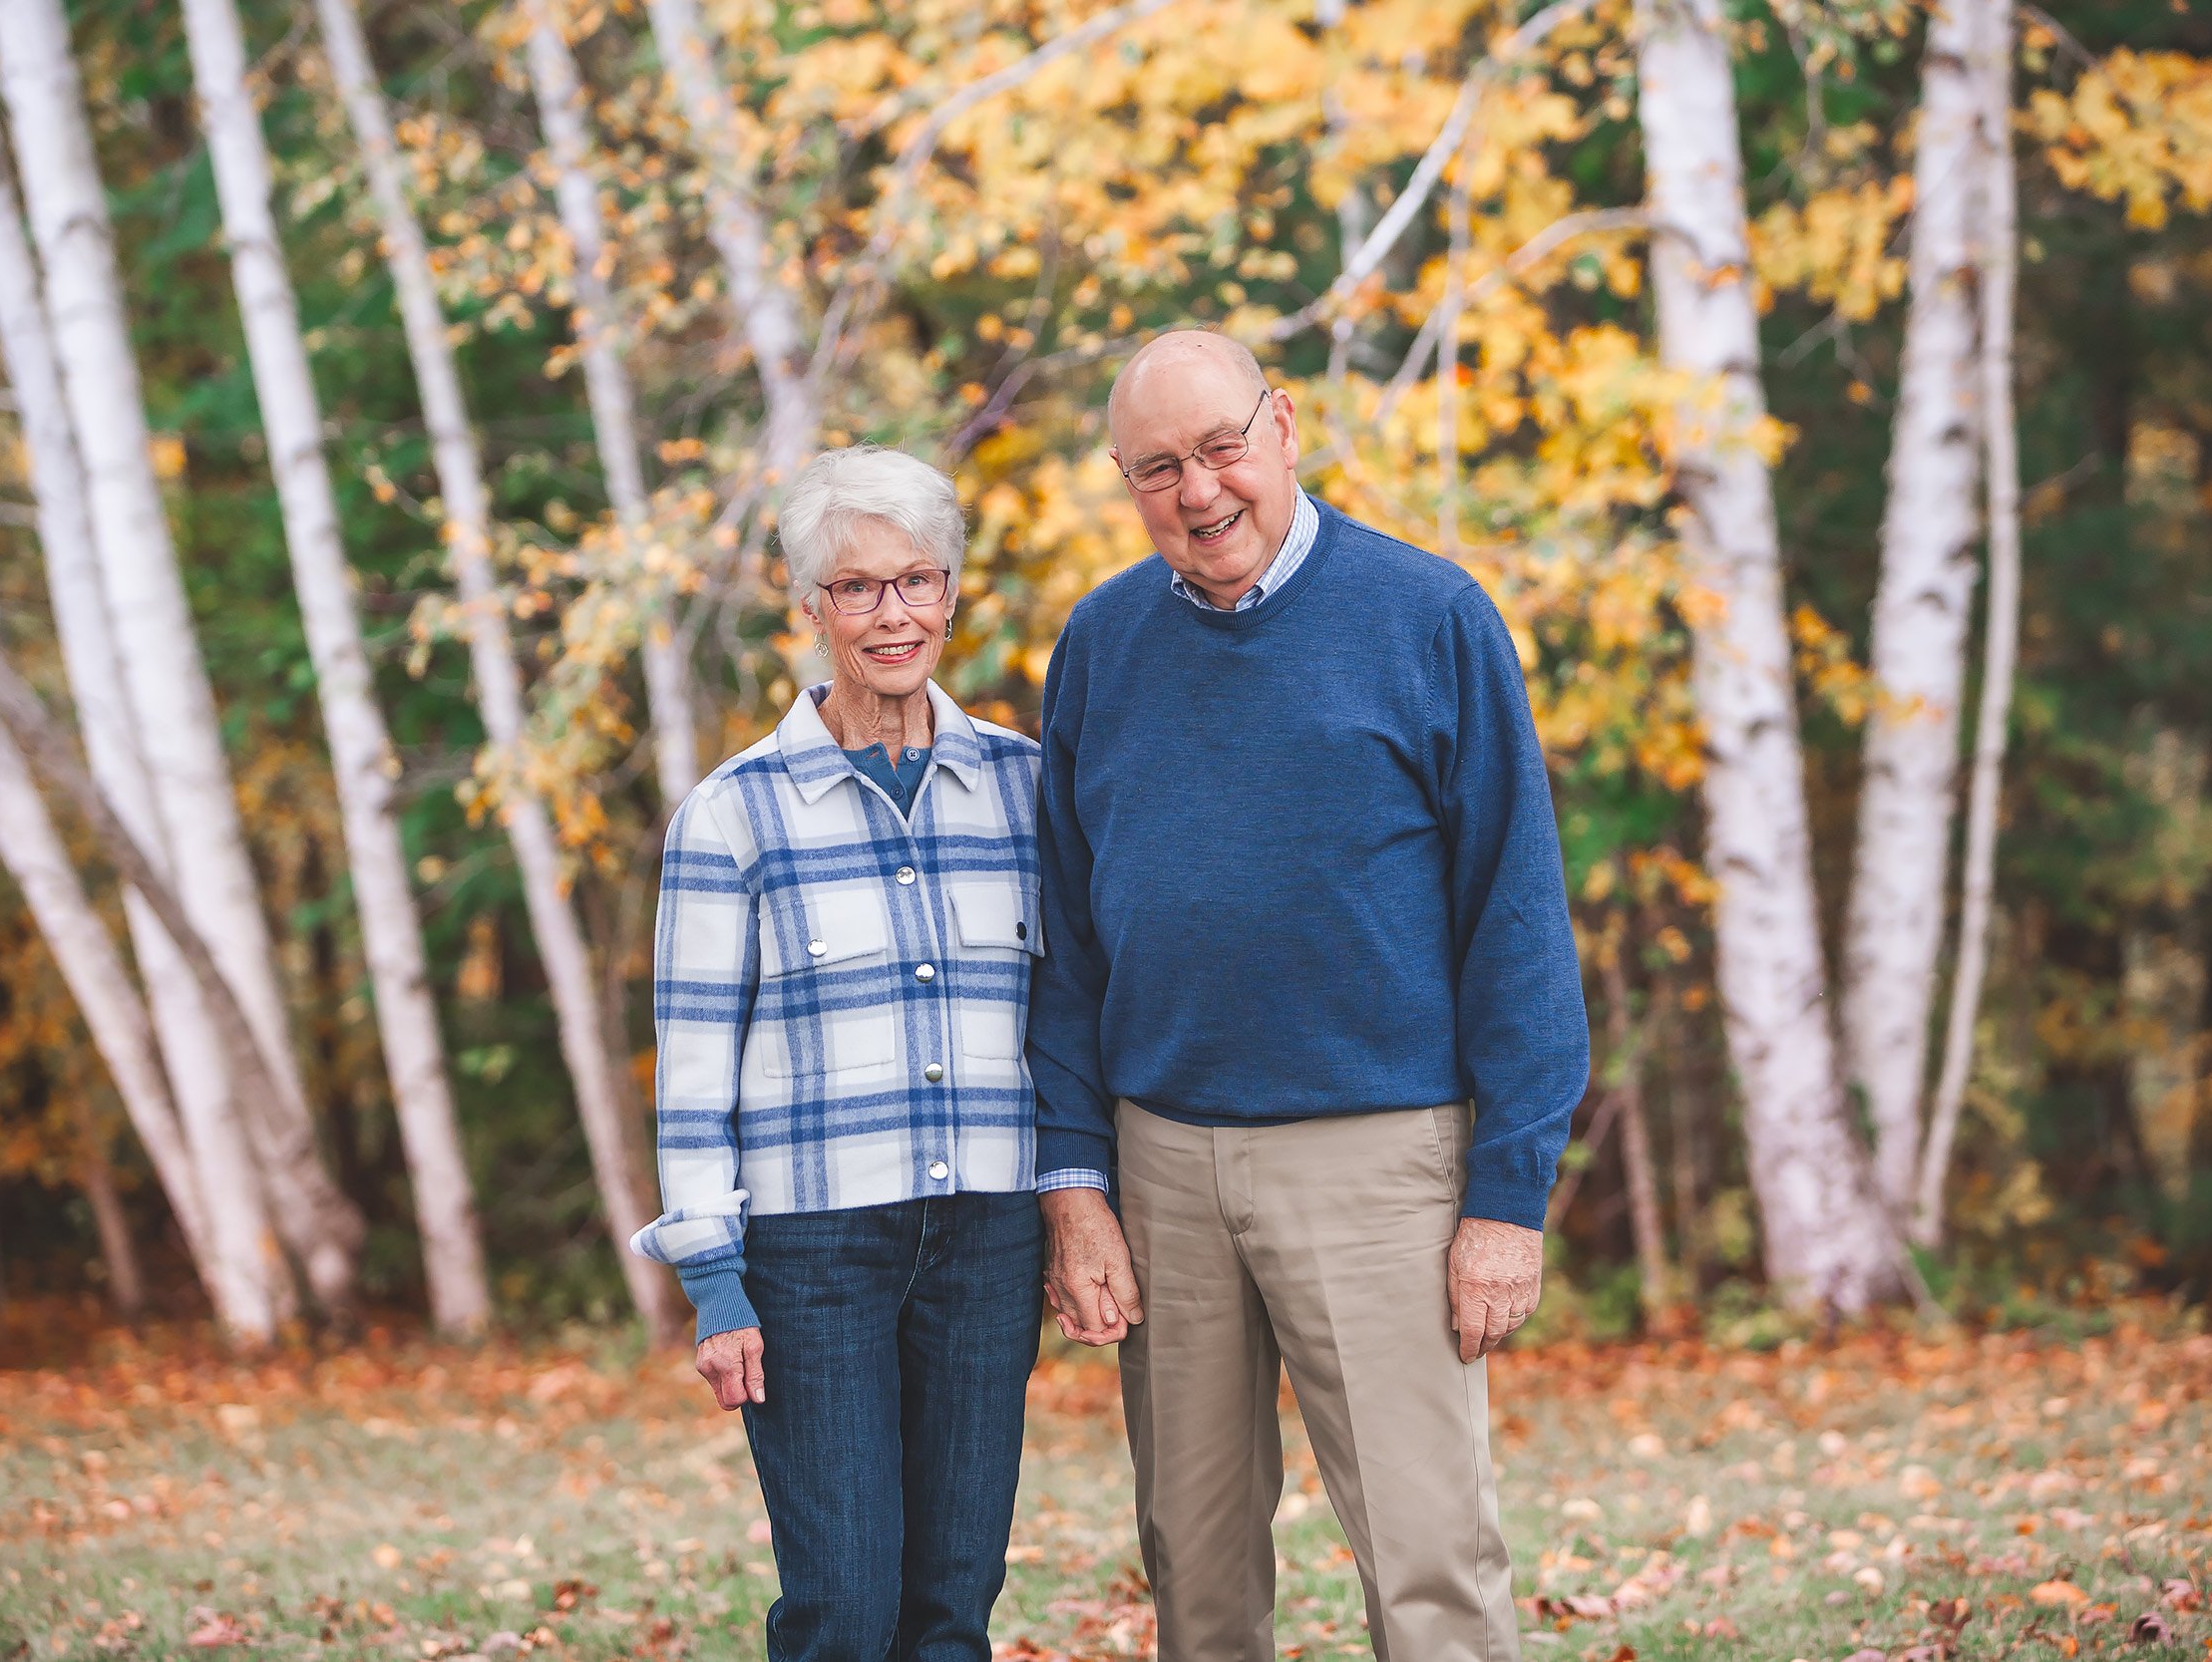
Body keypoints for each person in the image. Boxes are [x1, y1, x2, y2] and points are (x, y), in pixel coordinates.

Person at [1027, 330, 1589, 1662]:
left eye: (1223, 446)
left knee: (1429, 1557)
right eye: (1158, 467)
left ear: (1283, 427)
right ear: (1127, 481)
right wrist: (1074, 1176)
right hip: (1162, 1160)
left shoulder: (1429, 616)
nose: (1201, 490)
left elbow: (1517, 914)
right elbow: (1060, 937)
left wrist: (1507, 1197)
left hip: (1378, 1159)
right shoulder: (1100, 645)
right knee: (1195, 1563)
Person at [632, 444, 1045, 1662]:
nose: (892, 613)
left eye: (916, 581)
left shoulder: (1024, 788)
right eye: (857, 588)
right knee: (846, 1607)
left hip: (986, 1233)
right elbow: (694, 1072)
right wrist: (714, 1278)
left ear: (952, 595)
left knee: (951, 1608)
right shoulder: (732, 814)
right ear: (810, 606)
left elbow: (1068, 1023)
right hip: (814, 1254)